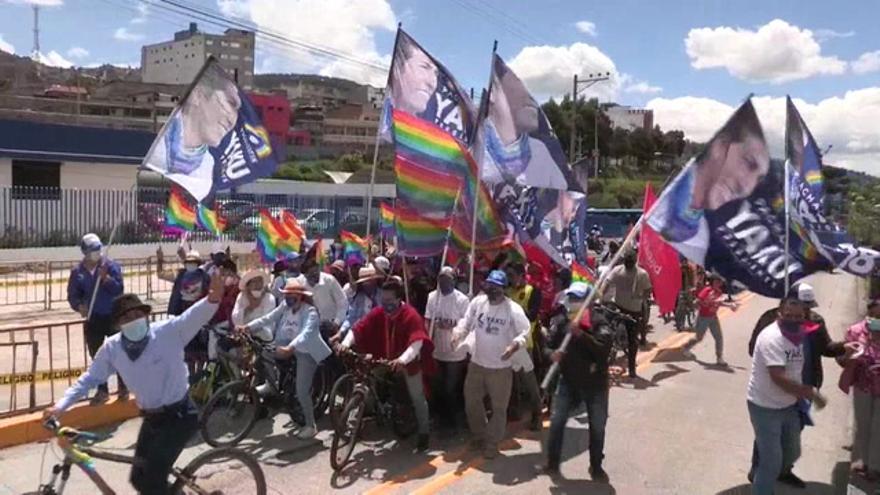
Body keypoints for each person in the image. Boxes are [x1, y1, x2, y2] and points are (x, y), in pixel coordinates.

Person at [46, 273, 225, 494]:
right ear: (118, 324)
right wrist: (60, 405)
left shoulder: (169, 331)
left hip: (180, 416)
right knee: (138, 479)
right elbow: (90, 378)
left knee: (152, 479)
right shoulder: (112, 348)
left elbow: (196, 314)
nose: (132, 320)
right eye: (125, 318)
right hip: (152, 419)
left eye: (136, 314)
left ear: (145, 315)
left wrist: (213, 298)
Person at [746, 283, 850, 486]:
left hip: (805, 384)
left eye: (807, 308)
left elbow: (826, 347)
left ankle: (784, 470)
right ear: (783, 308)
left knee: (792, 440)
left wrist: (843, 347)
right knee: (768, 442)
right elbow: (754, 350)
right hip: (776, 394)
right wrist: (777, 357)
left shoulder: (815, 321)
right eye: (800, 306)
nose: (804, 313)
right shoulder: (770, 321)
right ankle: (759, 471)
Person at [649, 103, 770, 265]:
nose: (747, 186)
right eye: (748, 163)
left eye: (758, 178)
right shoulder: (674, 207)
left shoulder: (711, 235)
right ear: (721, 147)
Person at [338, 278, 436, 451]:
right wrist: (345, 344)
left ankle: (424, 433)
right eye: (383, 301)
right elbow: (359, 328)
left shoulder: (411, 316)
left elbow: (417, 343)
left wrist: (402, 360)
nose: (385, 305)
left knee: (417, 397)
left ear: (399, 299)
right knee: (365, 380)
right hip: (384, 359)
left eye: (389, 301)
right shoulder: (379, 312)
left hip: (407, 363)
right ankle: (359, 417)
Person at [239, 279, 332, 440]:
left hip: (306, 351)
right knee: (264, 352)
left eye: (291, 295)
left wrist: (291, 348)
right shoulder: (285, 306)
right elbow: (268, 318)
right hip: (285, 346)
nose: (287, 297)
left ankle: (311, 425)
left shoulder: (310, 311)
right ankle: (271, 384)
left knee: (301, 391)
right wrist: (248, 327)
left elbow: (306, 333)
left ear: (300, 296)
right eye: (286, 294)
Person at [452, 270, 530, 459]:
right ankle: (479, 436)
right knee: (471, 400)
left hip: (500, 369)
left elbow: (525, 332)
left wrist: (514, 346)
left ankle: (492, 442)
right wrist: (459, 332)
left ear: (503, 289)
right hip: (477, 363)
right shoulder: (478, 303)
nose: (493, 290)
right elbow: (467, 321)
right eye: (490, 286)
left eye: (497, 287)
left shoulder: (513, 309)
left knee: (499, 408)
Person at [541, 282, 612, 481]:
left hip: (595, 385)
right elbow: (547, 347)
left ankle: (596, 465)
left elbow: (602, 351)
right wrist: (551, 354)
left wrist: (581, 335)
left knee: (597, 426)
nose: (574, 303)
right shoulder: (561, 322)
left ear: (588, 302)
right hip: (568, 382)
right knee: (556, 421)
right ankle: (552, 462)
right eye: (571, 299)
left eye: (578, 299)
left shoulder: (599, 322)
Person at [66, 233, 127, 404]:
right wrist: (79, 306)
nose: (96, 253)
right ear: (85, 252)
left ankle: (123, 387)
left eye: (98, 249)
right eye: (92, 250)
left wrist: (106, 279)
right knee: (98, 356)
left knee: (119, 352)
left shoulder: (110, 266)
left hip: (112, 317)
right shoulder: (78, 272)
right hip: (93, 319)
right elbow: (73, 295)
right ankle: (102, 390)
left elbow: (119, 289)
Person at [425, 266, 470, 430]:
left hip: (455, 352)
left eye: (447, 278)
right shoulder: (432, 297)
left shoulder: (462, 300)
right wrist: (427, 341)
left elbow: (467, 324)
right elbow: (428, 320)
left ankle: (456, 419)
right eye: (441, 278)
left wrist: (451, 326)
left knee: (451, 388)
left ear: (454, 280)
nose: (443, 281)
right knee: (438, 386)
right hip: (437, 350)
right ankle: (441, 419)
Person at [839, 299, 880, 480]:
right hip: (863, 385)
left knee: (878, 427)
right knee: (863, 425)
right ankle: (860, 462)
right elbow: (842, 360)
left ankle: (874, 466)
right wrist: (850, 356)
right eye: (876, 315)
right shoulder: (856, 331)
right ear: (869, 314)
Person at [505, 263, 543, 431]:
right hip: (506, 343)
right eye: (508, 276)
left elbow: (532, 315)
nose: (510, 279)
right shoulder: (506, 292)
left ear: (522, 275)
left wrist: (514, 310)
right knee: (511, 380)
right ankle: (514, 410)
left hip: (524, 345)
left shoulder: (532, 292)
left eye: (512, 275)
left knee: (528, 381)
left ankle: (537, 413)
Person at [604, 250, 652, 377]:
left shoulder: (642, 274)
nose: (628, 263)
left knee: (632, 341)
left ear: (635, 261)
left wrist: (640, 295)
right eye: (627, 261)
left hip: (634, 311)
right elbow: (606, 284)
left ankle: (632, 369)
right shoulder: (617, 270)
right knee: (604, 330)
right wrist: (599, 297)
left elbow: (648, 290)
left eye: (630, 261)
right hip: (617, 307)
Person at [682, 275, 737, 366]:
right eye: (716, 281)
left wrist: (730, 306)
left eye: (720, 281)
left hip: (713, 317)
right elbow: (697, 301)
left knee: (719, 337)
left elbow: (719, 303)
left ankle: (719, 358)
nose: (718, 283)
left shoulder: (719, 292)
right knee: (699, 338)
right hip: (703, 317)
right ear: (712, 282)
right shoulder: (707, 290)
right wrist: (705, 304)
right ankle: (686, 347)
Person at [302, 260, 348, 341]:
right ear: (305, 275)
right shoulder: (302, 285)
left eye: (316, 272)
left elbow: (342, 302)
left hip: (332, 326)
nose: (315, 276)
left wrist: (337, 322)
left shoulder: (330, 280)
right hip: (313, 329)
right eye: (311, 274)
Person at [158, 249, 210, 317]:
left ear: (198, 264)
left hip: (198, 306)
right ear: (185, 263)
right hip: (182, 307)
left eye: (194, 262)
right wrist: (160, 260)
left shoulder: (204, 276)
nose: (191, 264)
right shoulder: (180, 275)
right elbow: (161, 274)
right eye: (189, 262)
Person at [338, 266, 382, 339]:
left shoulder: (383, 295)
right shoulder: (359, 298)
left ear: (374, 281)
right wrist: (340, 332)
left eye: (369, 281)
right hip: (364, 334)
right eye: (364, 282)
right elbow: (351, 318)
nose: (366, 284)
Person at [231, 269, 276, 342]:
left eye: (259, 281)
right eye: (254, 281)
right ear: (248, 285)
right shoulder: (242, 296)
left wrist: (249, 327)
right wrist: (248, 308)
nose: (257, 284)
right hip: (243, 334)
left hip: (262, 336)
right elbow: (235, 317)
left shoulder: (269, 297)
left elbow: (266, 319)